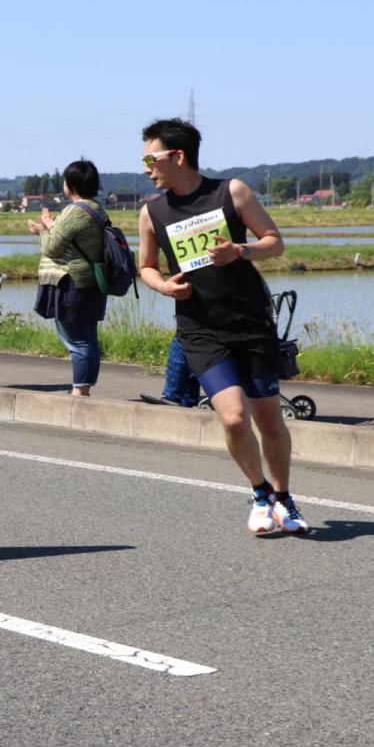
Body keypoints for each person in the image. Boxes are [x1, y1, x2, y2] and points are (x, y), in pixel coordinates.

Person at [137, 117, 307, 536]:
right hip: (200, 328)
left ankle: (285, 498)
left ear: (177, 156)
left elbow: (274, 241)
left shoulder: (231, 192)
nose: (145, 168)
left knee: (269, 420)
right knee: (233, 419)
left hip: (249, 321)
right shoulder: (152, 211)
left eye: (150, 158)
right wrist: (164, 286)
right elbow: (145, 267)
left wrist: (240, 250)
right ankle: (260, 492)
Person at [27, 160, 108, 396]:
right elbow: (72, 237)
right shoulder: (95, 208)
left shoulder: (75, 210)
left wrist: (41, 230)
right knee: (87, 337)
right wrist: (52, 224)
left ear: (71, 184)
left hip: (72, 282)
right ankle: (84, 388)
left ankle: (80, 392)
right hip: (89, 281)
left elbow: (52, 248)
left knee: (77, 340)